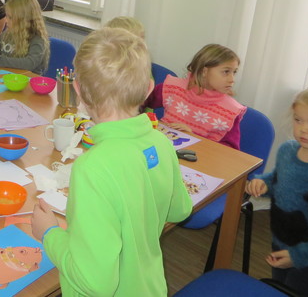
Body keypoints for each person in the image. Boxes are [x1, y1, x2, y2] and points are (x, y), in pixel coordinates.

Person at [31, 27, 192, 295]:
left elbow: (94, 283)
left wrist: (49, 234)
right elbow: (179, 211)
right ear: (148, 89)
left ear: (79, 90)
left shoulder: (92, 168)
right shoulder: (161, 142)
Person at [246, 88, 308, 296]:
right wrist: (263, 184)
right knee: (279, 285)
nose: (303, 129)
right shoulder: (287, 150)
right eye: (298, 120)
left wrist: (298, 256)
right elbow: (278, 179)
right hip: (281, 239)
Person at [144, 43, 246, 149]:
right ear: (204, 71)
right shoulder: (174, 88)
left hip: (199, 156)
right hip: (161, 148)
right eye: (226, 72)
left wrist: (194, 137)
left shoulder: (230, 111)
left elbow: (229, 151)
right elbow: (139, 102)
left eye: (234, 72)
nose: (232, 79)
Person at [0, 0, 50, 75]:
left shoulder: (37, 39)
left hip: (28, 80)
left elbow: (30, 63)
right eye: (6, 16)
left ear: (24, 20)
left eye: (10, 17)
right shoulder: (8, 33)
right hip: (7, 77)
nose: (6, 20)